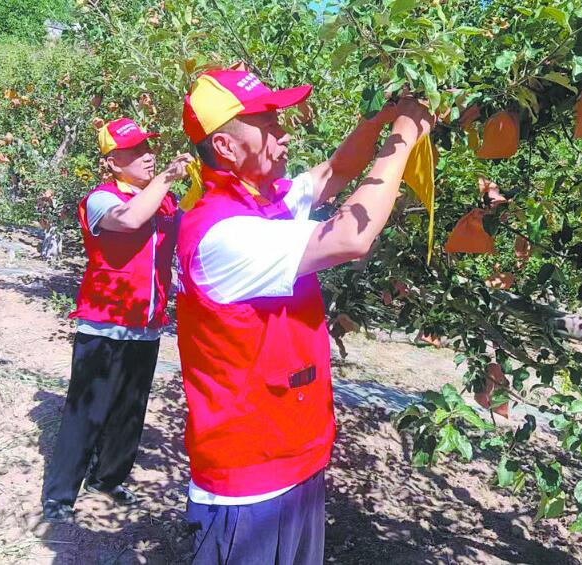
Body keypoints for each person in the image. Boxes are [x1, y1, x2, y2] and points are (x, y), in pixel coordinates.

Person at [176, 68, 434, 563]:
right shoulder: (221, 232)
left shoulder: (265, 200)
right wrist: (404, 134)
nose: (284, 131)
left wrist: (382, 112)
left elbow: (338, 169)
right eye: (269, 123)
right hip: (248, 483)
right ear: (227, 148)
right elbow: (349, 238)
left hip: (294, 456)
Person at [42, 117, 193, 522]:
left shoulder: (166, 200)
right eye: (136, 151)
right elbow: (128, 219)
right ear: (111, 162)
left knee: (130, 408)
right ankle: (59, 495)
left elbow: (188, 229)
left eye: (150, 149)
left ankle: (107, 480)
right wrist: (165, 179)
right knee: (87, 410)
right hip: (105, 323)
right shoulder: (101, 198)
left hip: (147, 325)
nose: (148, 157)